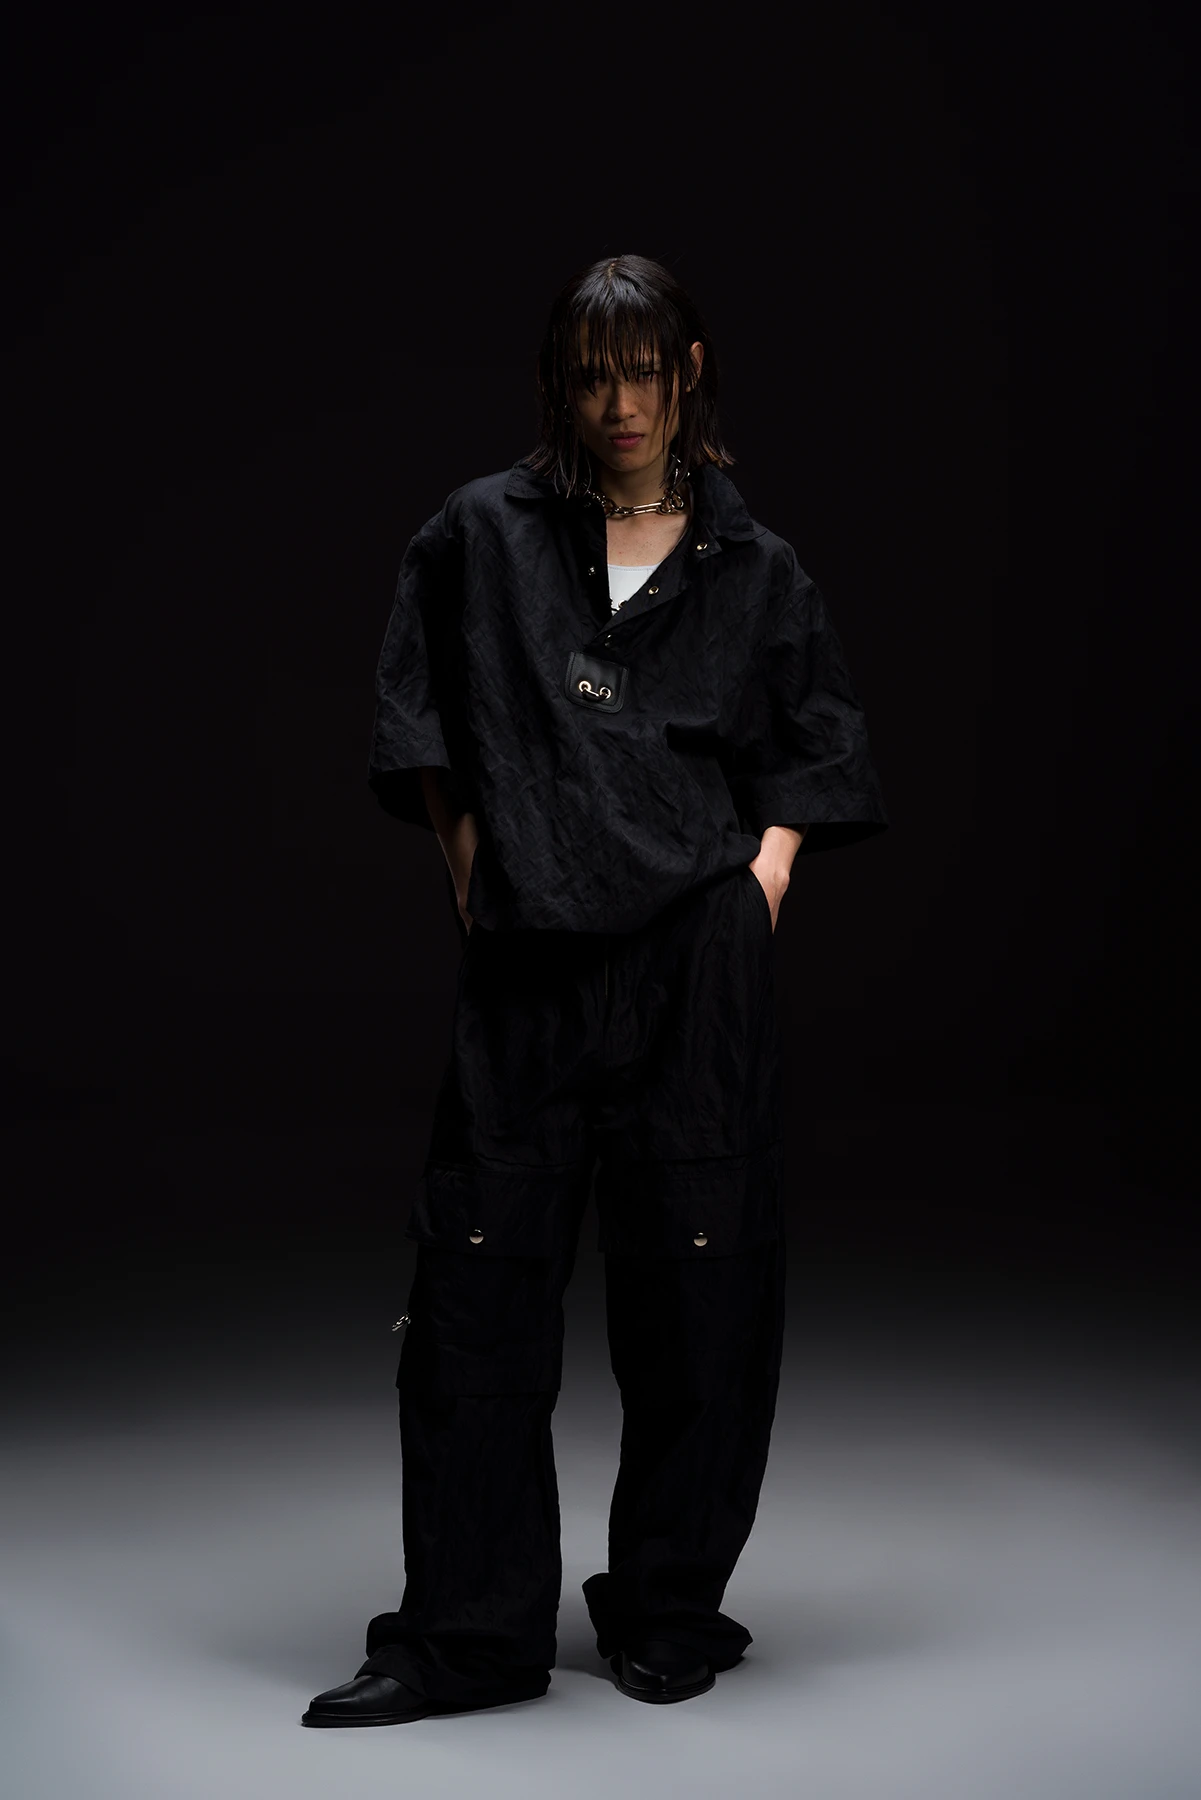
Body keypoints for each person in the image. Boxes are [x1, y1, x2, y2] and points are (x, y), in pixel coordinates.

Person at [302, 253, 888, 1728]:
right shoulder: (480, 533)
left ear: (686, 372)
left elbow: (819, 739)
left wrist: (766, 875)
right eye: (591, 375)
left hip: (696, 972)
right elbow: (416, 706)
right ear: (559, 384)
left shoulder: (754, 567)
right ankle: (469, 1636)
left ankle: (668, 1609)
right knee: (476, 1294)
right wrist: (462, 852)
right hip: (531, 969)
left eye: (643, 371)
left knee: (703, 1294)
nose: (620, 403)